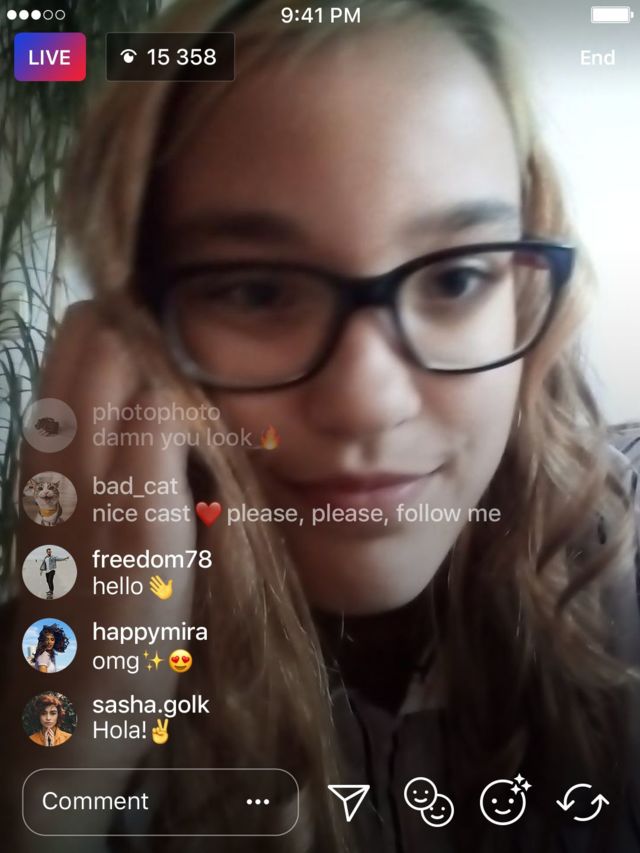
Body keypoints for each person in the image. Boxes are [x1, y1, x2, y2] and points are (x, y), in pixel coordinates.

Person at [19, 0, 640, 850]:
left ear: (524, 294)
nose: (367, 403)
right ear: (132, 331)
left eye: (455, 278)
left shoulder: (617, 552)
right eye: (258, 290)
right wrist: (77, 725)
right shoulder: (58, 659)